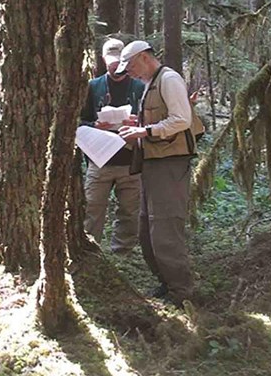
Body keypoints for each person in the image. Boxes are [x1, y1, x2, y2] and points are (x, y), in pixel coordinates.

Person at [116, 40, 196, 307]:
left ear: (144, 58)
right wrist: (136, 123)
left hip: (170, 163)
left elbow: (181, 119)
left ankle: (182, 291)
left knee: (165, 228)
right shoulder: (151, 83)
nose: (130, 73)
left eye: (131, 67)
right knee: (147, 230)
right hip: (153, 162)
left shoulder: (169, 79)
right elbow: (160, 117)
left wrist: (145, 131)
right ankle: (167, 281)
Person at [80, 38, 145, 254]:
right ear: (103, 60)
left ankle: (122, 253)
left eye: (119, 62)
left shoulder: (139, 86)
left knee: (130, 211)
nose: (116, 66)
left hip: (130, 161)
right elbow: (79, 122)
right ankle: (91, 252)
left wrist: (137, 123)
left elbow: (152, 122)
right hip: (99, 160)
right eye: (111, 62)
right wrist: (96, 125)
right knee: (92, 208)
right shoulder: (93, 86)